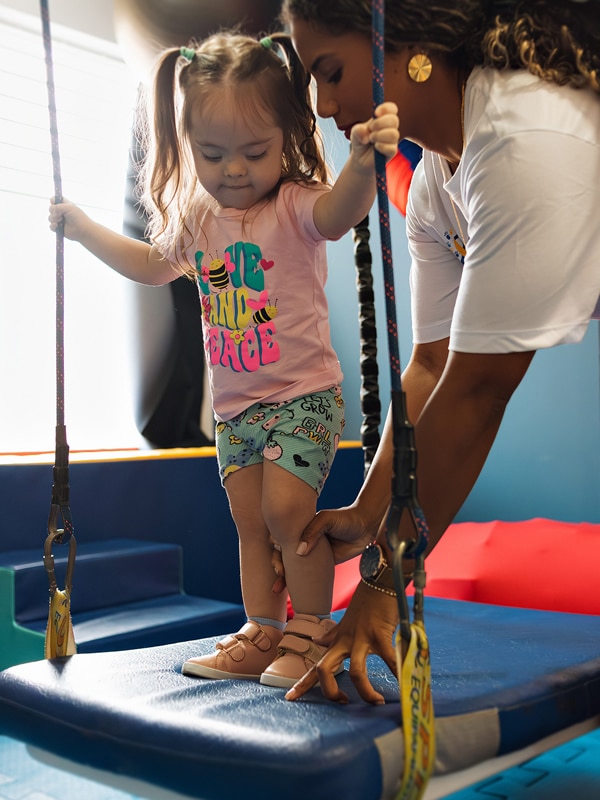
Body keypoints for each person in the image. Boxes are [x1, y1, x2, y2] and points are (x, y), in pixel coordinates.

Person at [48, 31, 399, 688]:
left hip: (302, 396)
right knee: (248, 524)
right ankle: (263, 630)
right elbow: (151, 266)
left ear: (286, 136)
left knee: (287, 515)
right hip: (237, 410)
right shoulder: (200, 219)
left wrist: (361, 164)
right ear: (189, 146)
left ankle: (310, 629)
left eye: (254, 152)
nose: (233, 169)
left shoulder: (293, 204)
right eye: (212, 154)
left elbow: (339, 213)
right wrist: (83, 228)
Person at [277, 0, 600, 704]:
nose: (325, 105)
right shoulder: (434, 183)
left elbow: (479, 392)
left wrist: (383, 582)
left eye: (331, 72)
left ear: (410, 46)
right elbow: (430, 366)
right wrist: (366, 512)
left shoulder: (523, 138)